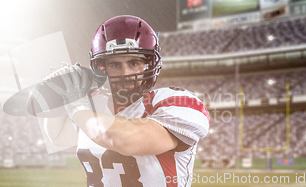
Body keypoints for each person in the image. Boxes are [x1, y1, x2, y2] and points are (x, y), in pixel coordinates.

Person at [43, 15, 209, 187]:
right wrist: (58, 92)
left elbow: (125, 141)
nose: (125, 73)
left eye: (134, 62)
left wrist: (75, 105)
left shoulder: (178, 102)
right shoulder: (92, 106)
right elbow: (57, 136)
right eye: (115, 65)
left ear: (149, 64)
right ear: (102, 68)